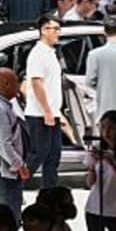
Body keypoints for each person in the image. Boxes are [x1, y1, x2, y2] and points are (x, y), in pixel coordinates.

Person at [22, 16, 66, 189]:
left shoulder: (51, 53)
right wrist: (47, 110)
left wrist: (54, 112)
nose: (57, 32)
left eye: (58, 29)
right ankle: (14, 185)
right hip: (39, 114)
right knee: (37, 155)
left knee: (53, 156)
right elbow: (36, 83)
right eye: (54, 29)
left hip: (52, 113)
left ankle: (51, 192)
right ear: (43, 30)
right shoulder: (38, 54)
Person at [0, 68, 30, 217]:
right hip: (4, 173)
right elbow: (3, 144)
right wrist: (19, 165)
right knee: (8, 216)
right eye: (16, 82)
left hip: (7, 172)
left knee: (9, 213)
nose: (18, 86)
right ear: (7, 84)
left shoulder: (2, 107)